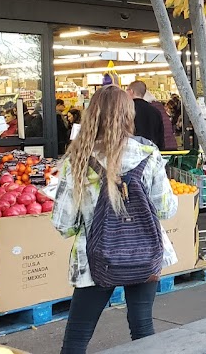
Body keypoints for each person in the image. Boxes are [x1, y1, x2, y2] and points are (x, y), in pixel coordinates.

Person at [51, 85, 178, 354]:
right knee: (143, 328)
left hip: (95, 259)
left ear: (91, 116)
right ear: (128, 115)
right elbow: (166, 209)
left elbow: (63, 222)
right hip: (145, 252)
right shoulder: (148, 154)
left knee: (77, 336)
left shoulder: (78, 159)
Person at [126, 81, 167, 149]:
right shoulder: (155, 111)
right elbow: (160, 137)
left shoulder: (126, 110)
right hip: (151, 151)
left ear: (131, 91)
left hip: (132, 152)